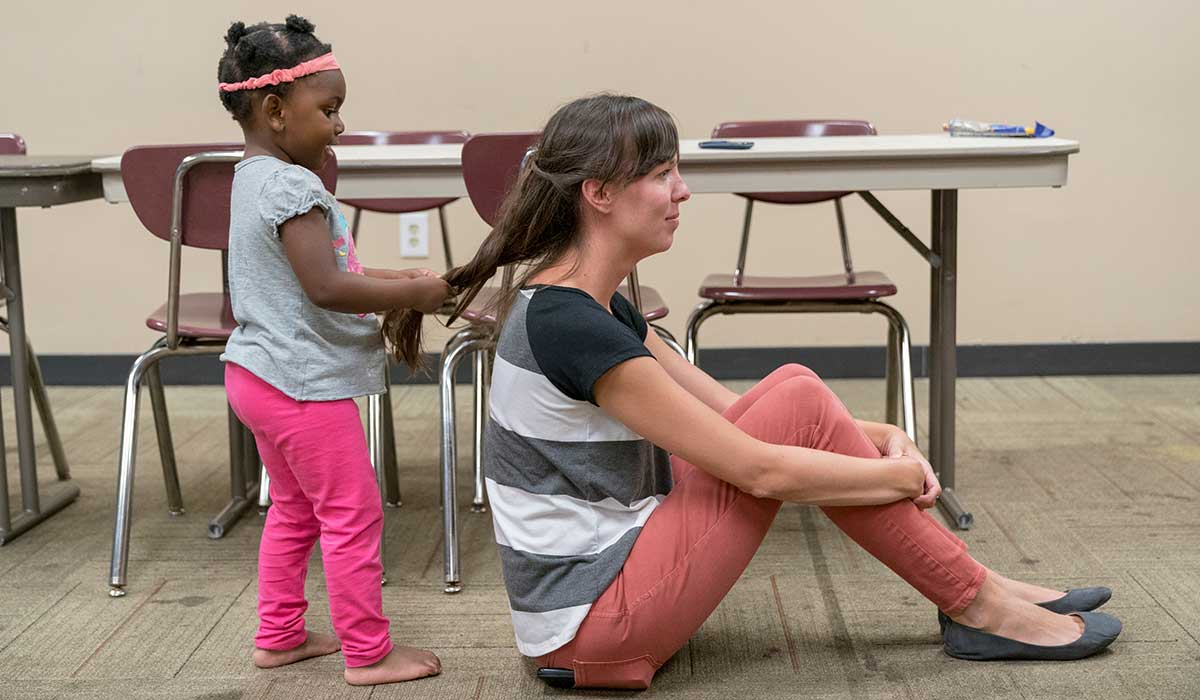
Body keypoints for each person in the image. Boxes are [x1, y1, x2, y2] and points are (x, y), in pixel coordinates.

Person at [386, 93, 1121, 689]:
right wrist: (898, 474)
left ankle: (977, 589)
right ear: (599, 193)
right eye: (663, 174)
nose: (682, 191)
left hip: (599, 587)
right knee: (793, 405)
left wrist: (880, 436)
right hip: (590, 628)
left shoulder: (588, 305)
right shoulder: (569, 325)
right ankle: (978, 602)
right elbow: (760, 469)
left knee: (794, 389)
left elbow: (730, 412)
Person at [216, 15, 447, 686]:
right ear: (274, 111)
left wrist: (395, 279)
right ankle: (369, 654)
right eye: (330, 109)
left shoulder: (251, 177)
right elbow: (325, 287)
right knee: (352, 514)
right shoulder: (294, 188)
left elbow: (314, 276)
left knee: (294, 510)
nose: (340, 125)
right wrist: (413, 294)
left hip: (257, 373)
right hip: (302, 384)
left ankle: (280, 636)